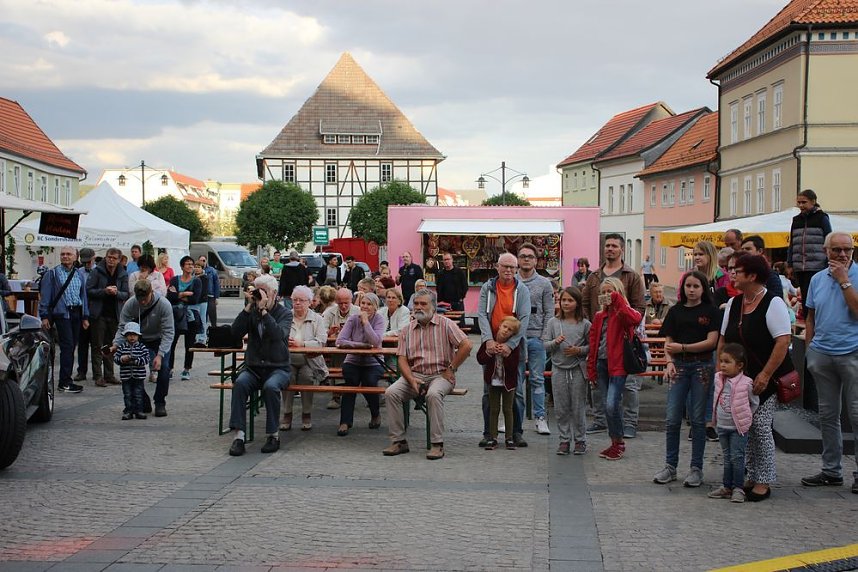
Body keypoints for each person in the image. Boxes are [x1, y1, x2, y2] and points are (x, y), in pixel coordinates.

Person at [718, 253, 793, 502]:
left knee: (760, 427)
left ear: (752, 276)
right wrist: (722, 368)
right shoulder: (734, 303)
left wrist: (765, 374)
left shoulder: (773, 303)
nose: (732, 274)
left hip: (766, 378)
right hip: (741, 379)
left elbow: (783, 341)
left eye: (737, 270)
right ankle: (750, 474)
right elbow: (724, 339)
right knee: (744, 426)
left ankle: (764, 480)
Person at [383, 289, 472, 460]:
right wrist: (410, 379)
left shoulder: (445, 324)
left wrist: (451, 368)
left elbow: (467, 345)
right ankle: (399, 441)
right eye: (416, 304)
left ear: (433, 306)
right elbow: (401, 359)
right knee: (391, 392)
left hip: (441, 375)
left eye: (423, 304)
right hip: (415, 374)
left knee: (433, 394)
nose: (418, 307)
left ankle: (437, 444)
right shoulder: (407, 329)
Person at [800, 232, 858, 494]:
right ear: (826, 252)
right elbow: (810, 316)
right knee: (827, 415)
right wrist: (810, 349)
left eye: (847, 249)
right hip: (822, 353)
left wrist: (844, 281)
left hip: (852, 353)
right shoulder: (816, 279)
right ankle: (831, 470)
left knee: (856, 414)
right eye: (837, 250)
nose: (843, 255)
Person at [652, 271, 720, 487]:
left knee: (698, 420)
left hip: (702, 366)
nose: (691, 290)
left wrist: (683, 348)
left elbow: (711, 342)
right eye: (688, 286)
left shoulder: (710, 311)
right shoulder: (676, 311)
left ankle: (696, 468)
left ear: (703, 289)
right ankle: (670, 466)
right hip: (679, 366)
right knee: (672, 419)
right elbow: (668, 341)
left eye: (696, 286)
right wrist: (669, 361)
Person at [582, 234, 646, 434]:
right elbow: (585, 303)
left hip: (623, 340)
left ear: (621, 250)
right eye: (607, 245)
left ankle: (629, 423)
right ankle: (601, 420)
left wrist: (625, 325)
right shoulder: (593, 276)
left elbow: (640, 307)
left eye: (614, 246)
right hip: (600, 336)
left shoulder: (631, 275)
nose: (610, 249)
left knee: (629, 387)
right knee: (598, 386)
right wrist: (594, 323)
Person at [227, 274, 292, 456]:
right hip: (254, 368)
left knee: (271, 387)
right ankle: (239, 436)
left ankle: (273, 435)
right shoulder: (252, 312)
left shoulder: (285, 313)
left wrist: (264, 312)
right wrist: (248, 308)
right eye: (258, 291)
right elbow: (235, 333)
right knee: (239, 384)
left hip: (278, 368)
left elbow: (279, 334)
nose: (260, 296)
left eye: (264, 291)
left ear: (274, 293)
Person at [477, 253, 531, 448]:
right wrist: (488, 341)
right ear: (497, 267)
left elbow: (525, 319)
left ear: (516, 269)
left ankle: (515, 432)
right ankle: (488, 433)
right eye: (505, 266)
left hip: (514, 348)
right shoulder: (487, 288)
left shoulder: (522, 290)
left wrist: (511, 344)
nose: (508, 270)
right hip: (492, 344)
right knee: (488, 391)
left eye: (512, 267)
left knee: (516, 392)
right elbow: (482, 315)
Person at [586, 277, 642, 461]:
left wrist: (617, 301)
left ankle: (619, 443)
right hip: (601, 364)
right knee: (606, 406)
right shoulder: (599, 316)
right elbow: (593, 342)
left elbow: (635, 318)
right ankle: (615, 442)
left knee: (612, 404)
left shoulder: (623, 314)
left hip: (618, 365)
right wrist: (591, 369)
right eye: (603, 292)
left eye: (610, 291)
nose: (606, 295)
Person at [111, 279, 175, 417]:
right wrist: (116, 344)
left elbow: (169, 331)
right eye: (140, 299)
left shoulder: (164, 304)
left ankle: (160, 402)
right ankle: (143, 400)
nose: (143, 302)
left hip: (159, 338)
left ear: (151, 292)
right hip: (138, 338)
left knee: (163, 368)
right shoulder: (130, 304)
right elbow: (123, 327)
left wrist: (160, 354)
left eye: (145, 299)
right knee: (134, 369)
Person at [707, 343, 758, 503]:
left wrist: (746, 418)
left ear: (740, 365)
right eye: (721, 361)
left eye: (727, 362)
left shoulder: (746, 383)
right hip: (722, 425)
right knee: (727, 457)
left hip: (738, 428)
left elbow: (754, 402)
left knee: (737, 457)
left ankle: (738, 488)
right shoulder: (718, 379)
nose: (723, 365)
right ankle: (726, 486)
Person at [544, 287, 591, 455]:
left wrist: (579, 350)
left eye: (570, 300)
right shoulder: (553, 323)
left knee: (578, 406)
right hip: (558, 369)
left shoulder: (585, 324)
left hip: (577, 369)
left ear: (577, 303)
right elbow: (545, 344)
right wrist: (555, 342)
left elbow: (592, 347)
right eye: (563, 300)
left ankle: (580, 440)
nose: (566, 303)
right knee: (561, 407)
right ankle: (564, 440)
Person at [516, 242, 555, 436]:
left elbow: (550, 312)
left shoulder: (544, 283)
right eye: (523, 256)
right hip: (515, 340)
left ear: (536, 260)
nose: (526, 259)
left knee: (538, 380)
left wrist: (543, 337)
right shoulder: (511, 281)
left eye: (530, 256)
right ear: (517, 259)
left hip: (536, 338)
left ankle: (540, 418)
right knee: (516, 381)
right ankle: (516, 420)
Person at [40, 246, 90, 393]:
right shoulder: (53, 274)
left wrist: (85, 316)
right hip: (62, 314)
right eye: (63, 254)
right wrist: (44, 315)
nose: (65, 256)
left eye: (69, 254)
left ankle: (66, 379)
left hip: (76, 314)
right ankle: (65, 381)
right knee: (67, 347)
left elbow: (83, 296)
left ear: (76, 257)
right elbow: (45, 295)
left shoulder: (78, 274)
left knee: (71, 346)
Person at [335, 292, 386, 436]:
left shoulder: (379, 319)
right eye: (363, 303)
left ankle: (375, 413)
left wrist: (366, 323)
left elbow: (376, 342)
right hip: (353, 360)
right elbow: (340, 341)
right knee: (350, 382)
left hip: (373, 361)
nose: (365, 306)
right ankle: (345, 422)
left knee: (369, 382)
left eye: (369, 304)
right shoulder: (352, 319)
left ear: (375, 307)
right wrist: (362, 346)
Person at [281, 285, 327, 432]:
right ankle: (287, 413)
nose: (297, 303)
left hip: (310, 360)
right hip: (287, 360)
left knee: (307, 377)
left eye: (301, 300)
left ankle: (306, 413)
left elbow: (321, 342)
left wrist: (302, 344)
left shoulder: (317, 319)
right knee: (286, 377)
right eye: (295, 300)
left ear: (309, 302)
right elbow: (276, 336)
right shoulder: (285, 316)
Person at [86, 247, 129, 387]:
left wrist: (116, 293)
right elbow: (89, 290)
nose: (111, 260)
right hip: (99, 314)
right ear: (105, 257)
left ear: (119, 260)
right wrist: (104, 291)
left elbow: (126, 294)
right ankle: (98, 376)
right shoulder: (97, 271)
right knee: (97, 345)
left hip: (115, 314)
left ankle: (109, 374)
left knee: (111, 345)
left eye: (114, 258)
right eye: (109, 257)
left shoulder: (122, 273)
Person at [477, 316, 522, 450]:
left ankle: (509, 437)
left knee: (508, 409)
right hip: (493, 382)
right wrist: (489, 352)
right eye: (505, 327)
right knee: (494, 409)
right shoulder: (488, 342)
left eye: (510, 330)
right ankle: (492, 436)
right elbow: (480, 358)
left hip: (508, 383)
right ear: (499, 325)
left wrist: (506, 355)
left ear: (513, 334)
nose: (506, 331)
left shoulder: (514, 346)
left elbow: (514, 365)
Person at [789, 189, 832, 302]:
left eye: (804, 202)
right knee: (805, 297)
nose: (801, 205)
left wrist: (828, 261)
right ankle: (808, 318)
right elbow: (792, 243)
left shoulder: (822, 218)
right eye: (799, 202)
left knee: (816, 297)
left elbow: (829, 240)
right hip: (799, 265)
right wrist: (790, 262)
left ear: (813, 201)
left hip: (817, 265)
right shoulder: (796, 220)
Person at [320, 287, 360, 409]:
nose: (343, 306)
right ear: (336, 302)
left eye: (346, 303)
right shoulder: (329, 312)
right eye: (340, 303)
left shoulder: (358, 311)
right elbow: (320, 332)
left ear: (351, 300)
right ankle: (337, 393)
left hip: (355, 347)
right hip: (336, 347)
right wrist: (329, 332)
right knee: (337, 352)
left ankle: (342, 392)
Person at [166, 256, 202, 381]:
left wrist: (178, 295)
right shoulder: (175, 280)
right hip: (176, 315)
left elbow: (195, 298)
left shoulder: (196, 281)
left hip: (190, 315)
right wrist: (184, 294)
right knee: (172, 342)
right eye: (187, 264)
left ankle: (187, 369)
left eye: (192, 264)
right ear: (182, 266)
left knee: (189, 344)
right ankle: (169, 368)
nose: (190, 266)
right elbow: (170, 296)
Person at [113, 321, 150, 420]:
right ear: (125, 336)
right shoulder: (122, 347)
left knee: (138, 394)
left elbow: (146, 359)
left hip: (139, 376)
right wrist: (122, 359)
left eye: (134, 335)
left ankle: (139, 410)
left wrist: (135, 360)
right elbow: (116, 358)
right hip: (126, 376)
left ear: (138, 336)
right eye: (129, 335)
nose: (132, 337)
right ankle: (128, 410)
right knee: (127, 394)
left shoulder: (142, 347)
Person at [73, 247, 96, 383]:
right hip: (82, 313)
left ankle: (97, 372)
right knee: (82, 344)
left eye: (89, 261)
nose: (87, 264)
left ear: (94, 258)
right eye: (84, 262)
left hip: (96, 313)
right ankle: (81, 371)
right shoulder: (78, 273)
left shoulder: (99, 271)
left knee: (97, 345)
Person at [198, 255, 220, 328]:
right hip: (201, 295)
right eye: (201, 260)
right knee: (203, 315)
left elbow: (216, 283)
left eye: (204, 260)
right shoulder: (196, 270)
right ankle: (203, 330)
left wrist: (216, 297)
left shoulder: (211, 270)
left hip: (210, 295)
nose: (202, 262)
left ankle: (214, 329)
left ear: (206, 261)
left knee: (212, 313)